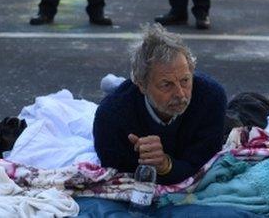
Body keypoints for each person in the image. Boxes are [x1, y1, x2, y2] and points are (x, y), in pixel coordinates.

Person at [93, 24, 226, 185]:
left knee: (243, 114)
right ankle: (118, 85)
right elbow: (117, 173)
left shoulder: (210, 98)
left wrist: (165, 165)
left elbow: (203, 164)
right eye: (166, 85)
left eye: (185, 80)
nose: (180, 94)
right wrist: (152, 163)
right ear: (141, 84)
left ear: (192, 71)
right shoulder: (111, 116)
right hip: (128, 99)